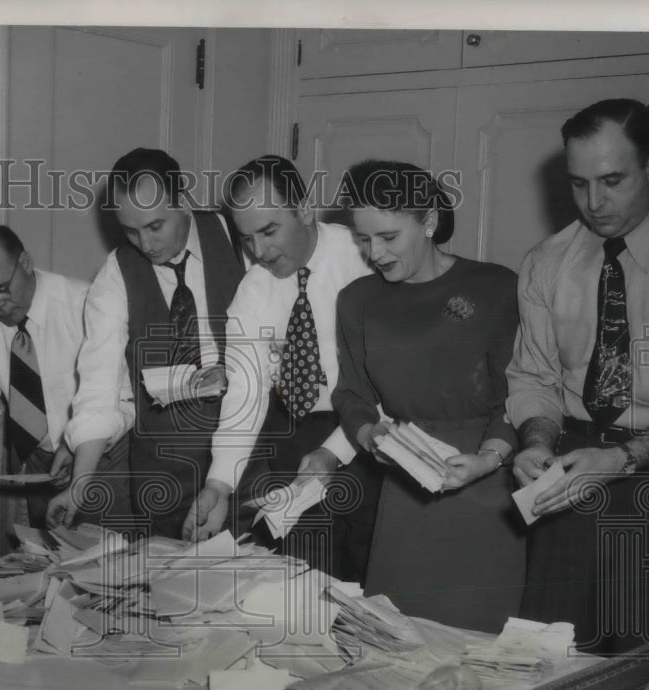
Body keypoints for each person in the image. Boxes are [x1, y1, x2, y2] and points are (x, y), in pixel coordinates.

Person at [506, 98, 649, 654]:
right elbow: (534, 377)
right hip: (574, 466)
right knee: (549, 658)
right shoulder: (546, 262)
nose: (594, 203)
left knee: (643, 669)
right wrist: (536, 440)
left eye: (611, 180)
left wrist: (625, 458)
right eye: (579, 184)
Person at [333, 160, 525, 634]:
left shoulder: (498, 287)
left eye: (388, 237)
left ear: (430, 222)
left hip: (486, 488)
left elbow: (519, 391)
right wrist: (370, 433)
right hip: (405, 491)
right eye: (363, 239)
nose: (373, 253)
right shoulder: (357, 301)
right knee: (399, 640)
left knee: (480, 649)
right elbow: (351, 392)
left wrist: (488, 458)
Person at [184, 155, 382, 584]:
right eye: (247, 238)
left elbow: (390, 381)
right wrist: (219, 484)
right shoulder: (254, 289)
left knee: (370, 582)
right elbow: (245, 394)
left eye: (270, 230)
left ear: (305, 210)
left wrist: (336, 451)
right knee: (307, 584)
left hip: (371, 440)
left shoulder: (366, 257)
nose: (260, 251)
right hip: (296, 446)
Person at [48, 148, 245, 538]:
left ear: (183, 202)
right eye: (131, 231)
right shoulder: (116, 275)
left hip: (245, 465)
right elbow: (98, 385)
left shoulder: (239, 238)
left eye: (156, 226)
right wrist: (80, 482)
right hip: (163, 476)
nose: (146, 244)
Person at [0, 223, 132, 526]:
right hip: (40, 466)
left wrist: (80, 446)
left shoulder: (87, 305)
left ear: (25, 263)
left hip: (107, 460)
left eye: (0, 289)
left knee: (112, 564)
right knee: (50, 560)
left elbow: (126, 403)